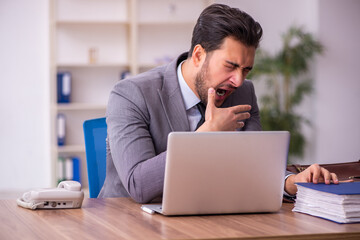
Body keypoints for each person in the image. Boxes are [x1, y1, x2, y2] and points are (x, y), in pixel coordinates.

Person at [98, 4, 338, 203]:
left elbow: (255, 165)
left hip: (207, 216)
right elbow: (139, 186)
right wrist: (205, 135)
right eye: (231, 66)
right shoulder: (130, 94)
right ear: (199, 55)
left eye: (246, 69)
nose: (238, 80)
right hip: (129, 222)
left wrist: (291, 182)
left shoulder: (244, 92)